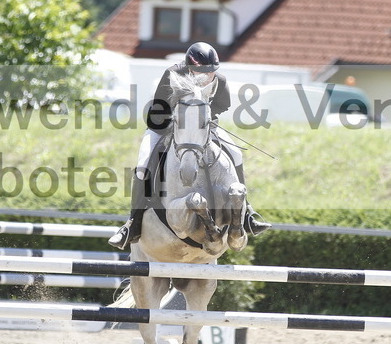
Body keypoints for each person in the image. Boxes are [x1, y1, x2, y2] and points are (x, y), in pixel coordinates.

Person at [108, 42, 271, 250]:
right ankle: (133, 222)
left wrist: (202, 116)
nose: (206, 77)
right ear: (188, 68)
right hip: (163, 125)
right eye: (200, 72)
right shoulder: (172, 75)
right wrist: (180, 122)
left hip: (202, 128)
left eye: (210, 72)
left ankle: (247, 213)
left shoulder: (219, 80)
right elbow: (158, 110)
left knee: (236, 153)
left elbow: (222, 106)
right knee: (142, 166)